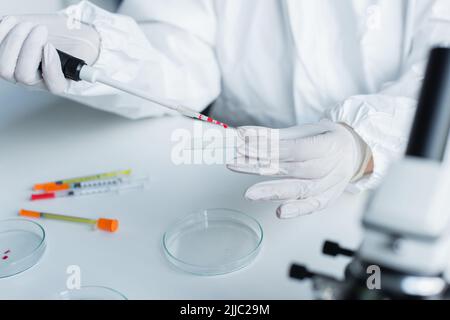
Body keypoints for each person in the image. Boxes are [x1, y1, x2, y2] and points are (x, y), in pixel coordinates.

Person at [1, 0, 449, 218]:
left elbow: (440, 69)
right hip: (230, 181)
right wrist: (101, 48)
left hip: (390, 198)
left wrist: (363, 143)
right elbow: (180, 58)